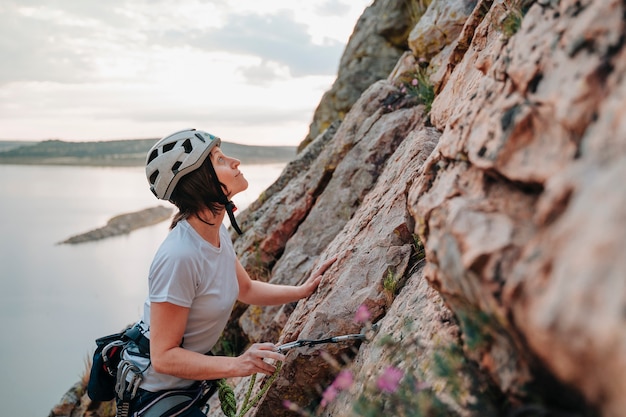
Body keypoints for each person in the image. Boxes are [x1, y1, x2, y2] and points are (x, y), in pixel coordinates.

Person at [116, 128, 335, 416]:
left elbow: (246, 289)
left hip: (183, 391)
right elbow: (164, 357)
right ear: (201, 182)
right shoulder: (180, 256)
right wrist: (238, 364)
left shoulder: (215, 232)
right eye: (220, 160)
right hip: (156, 397)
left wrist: (303, 291)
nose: (235, 162)